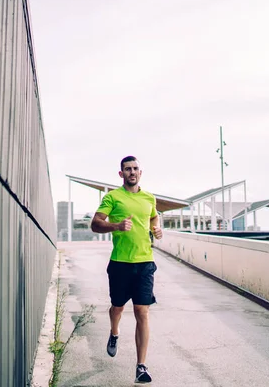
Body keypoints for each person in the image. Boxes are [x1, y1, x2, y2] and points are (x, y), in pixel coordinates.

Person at [91, 155, 163, 384]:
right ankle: (114, 333)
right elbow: (95, 223)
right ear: (121, 174)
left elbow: (153, 218)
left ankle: (141, 366)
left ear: (141, 172)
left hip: (145, 263)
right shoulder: (113, 197)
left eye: (135, 168)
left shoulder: (149, 197)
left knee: (142, 311)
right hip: (120, 263)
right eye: (127, 169)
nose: (132, 172)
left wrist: (157, 228)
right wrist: (117, 226)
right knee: (117, 307)